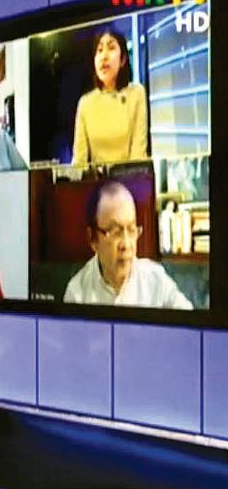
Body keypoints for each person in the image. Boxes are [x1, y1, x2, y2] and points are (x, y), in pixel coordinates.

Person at [63, 180, 192, 309]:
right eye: (115, 232)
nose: (126, 244)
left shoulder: (157, 282)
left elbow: (189, 318)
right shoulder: (77, 294)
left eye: (131, 230)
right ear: (93, 239)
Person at [72, 28, 148, 165]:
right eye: (99, 50)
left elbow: (138, 155)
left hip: (131, 177)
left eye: (111, 48)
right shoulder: (85, 103)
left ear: (123, 59)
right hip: (97, 178)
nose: (104, 57)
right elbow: (79, 161)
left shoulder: (136, 94)